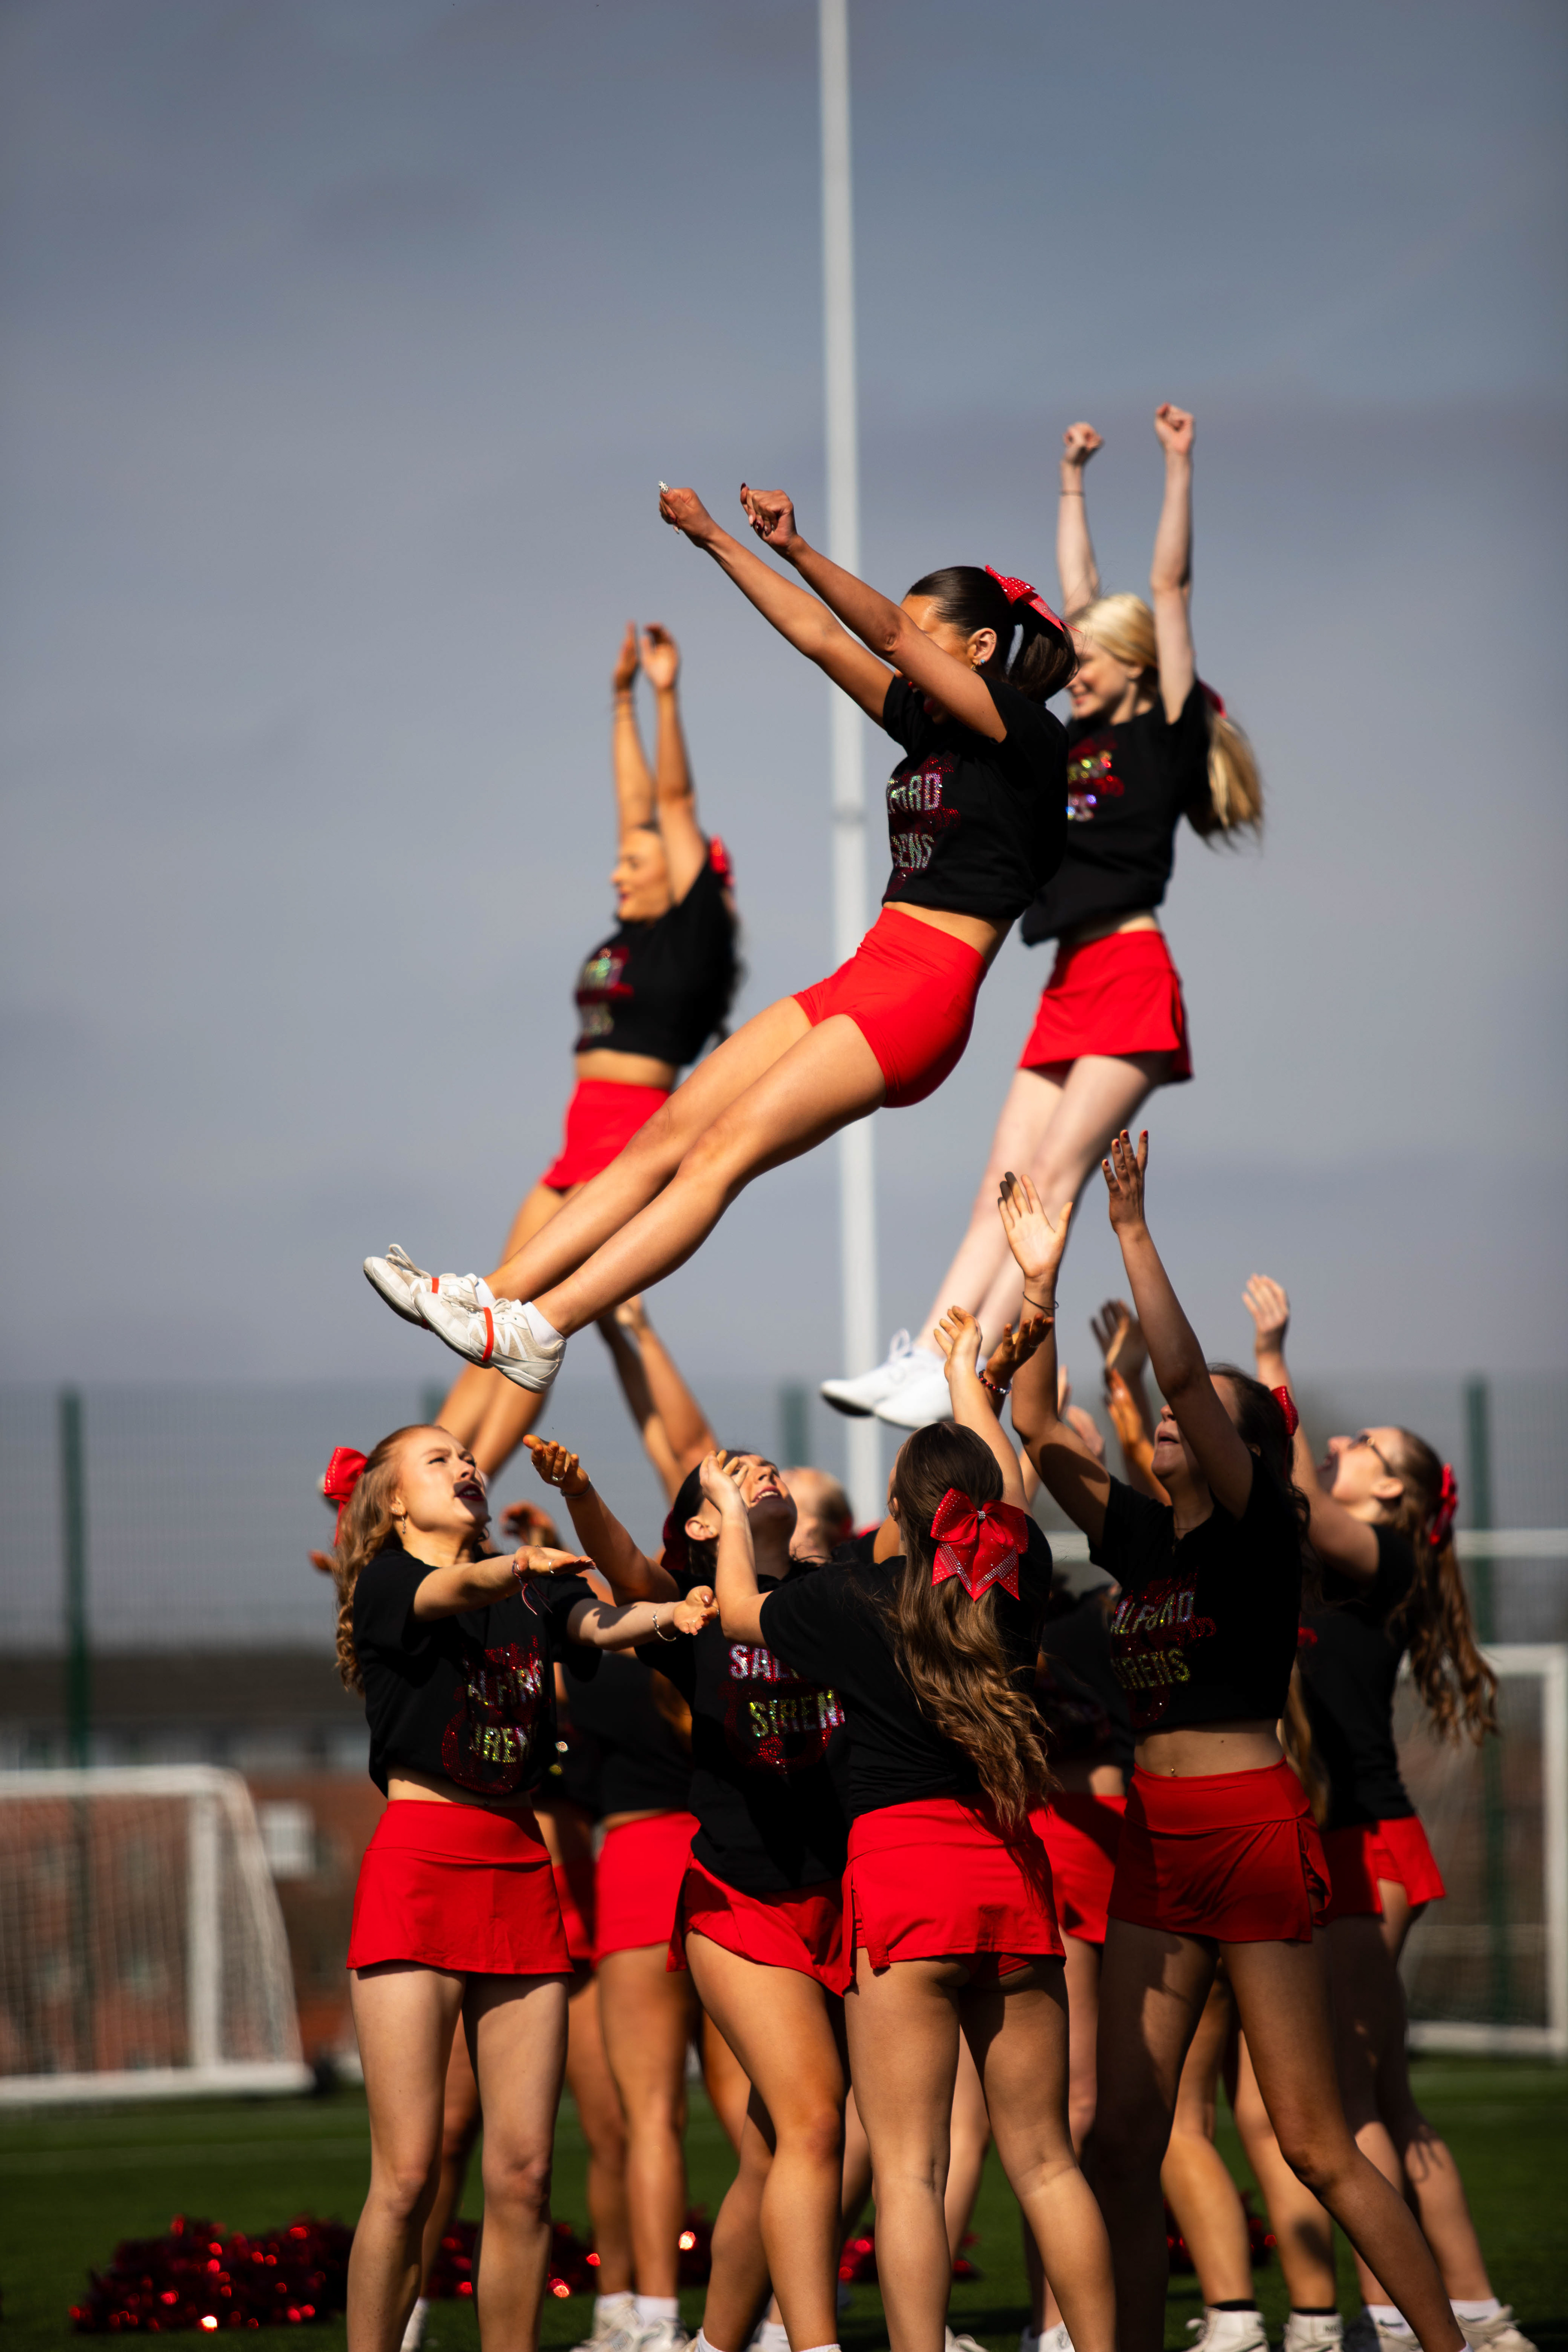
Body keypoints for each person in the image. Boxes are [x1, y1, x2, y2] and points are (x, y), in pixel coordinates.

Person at [365, 481, 1071, 1396]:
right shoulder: (928, 728)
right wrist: (715, 542)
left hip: (921, 995)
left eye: (927, 637)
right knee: (665, 1135)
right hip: (865, 973)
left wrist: (802, 548)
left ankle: (544, 1328)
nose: (900, 649)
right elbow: (823, 639)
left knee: (720, 1155)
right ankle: (495, 1297)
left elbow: (884, 637)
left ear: (979, 651)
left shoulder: (1020, 733)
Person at [999, 1143, 1465, 2352]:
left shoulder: (1260, 1532)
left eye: (1189, 1412)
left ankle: (1449, 2344)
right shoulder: (1142, 1541)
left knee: (1313, 2142)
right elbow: (1040, 1420)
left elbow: (1181, 1374)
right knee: (1120, 2139)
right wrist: (1039, 1282)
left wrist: (1133, 1227)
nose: (1165, 1416)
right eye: (1161, 1412)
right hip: (1158, 1849)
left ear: (1241, 1448)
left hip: (1253, 1831)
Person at [823, 405, 1262, 1433]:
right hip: (1067, 978)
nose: (1082, 660)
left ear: (1141, 668)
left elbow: (1166, 591)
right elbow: (1074, 602)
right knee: (1005, 1179)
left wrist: (1176, 463)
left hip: (1131, 974)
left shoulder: (1158, 729)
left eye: (1104, 654)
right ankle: (934, 1354)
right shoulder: (1058, 736)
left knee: (1054, 1183)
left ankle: (967, 1370)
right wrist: (1069, 481)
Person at [704, 1311, 1117, 2352]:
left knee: (909, 2169)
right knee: (1048, 2162)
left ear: (894, 1513)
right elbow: (1008, 1483)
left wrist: (722, 1508)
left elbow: (743, 1616)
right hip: (1010, 1875)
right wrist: (966, 1377)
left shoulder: (851, 1595)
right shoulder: (1012, 1582)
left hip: (903, 1884)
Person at [325, 1423, 717, 2352]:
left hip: (520, 1869)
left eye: (469, 1456)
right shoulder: (389, 1583)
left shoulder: (534, 1588)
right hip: (419, 1868)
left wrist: (672, 1615)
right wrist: (516, 1568)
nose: (466, 1466)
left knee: (525, 2174)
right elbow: (456, 1586)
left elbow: (599, 1623)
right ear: (389, 1501)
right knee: (409, 2176)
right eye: (439, 1459)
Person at [365, 622, 738, 1473]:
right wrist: (617, 702)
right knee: (485, 1317)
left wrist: (667, 695)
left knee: (541, 1326)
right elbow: (635, 808)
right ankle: (424, 1477)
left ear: (681, 876)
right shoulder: (630, 928)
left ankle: (470, 1492)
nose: (617, 870)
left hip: (631, 1144)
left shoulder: (690, 934)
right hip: (577, 1139)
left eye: (632, 863)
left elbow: (669, 808)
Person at [1244, 1277, 1532, 2352]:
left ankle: (1401, 2318)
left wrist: (1273, 1363)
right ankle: (1471, 2313)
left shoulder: (1384, 1561)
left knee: (1353, 2103)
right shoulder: (1330, 1564)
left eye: (1368, 1443)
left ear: (1399, 1496)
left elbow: (1293, 1498)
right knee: (1383, 2102)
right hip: (1343, 1845)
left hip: (1368, 1848)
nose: (1345, 1445)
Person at [528, 1437, 855, 2352]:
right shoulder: (699, 1617)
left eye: (766, 1466)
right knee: (813, 2120)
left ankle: (713, 2345)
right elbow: (628, 1570)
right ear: (703, 1525)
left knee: (772, 2150)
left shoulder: (836, 1601)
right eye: (730, 1471)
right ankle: (811, 2344)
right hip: (736, 1898)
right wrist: (585, 1491)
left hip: (837, 1899)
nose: (759, 1470)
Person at [521, 1438, 751, 2352]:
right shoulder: (747, 1629)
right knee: (759, 2113)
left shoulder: (618, 1659)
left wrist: (563, 1522)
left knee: (648, 2116)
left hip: (639, 1870)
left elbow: (569, 1681)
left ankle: (652, 2318)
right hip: (732, 1861)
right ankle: (770, 2314)